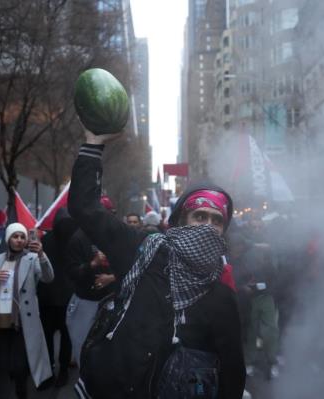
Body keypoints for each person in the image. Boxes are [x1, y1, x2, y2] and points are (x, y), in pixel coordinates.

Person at [69, 131, 245, 399]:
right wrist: (93, 145)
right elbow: (85, 208)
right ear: (180, 220)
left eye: (216, 220)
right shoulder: (141, 251)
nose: (208, 227)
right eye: (199, 216)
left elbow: (231, 374)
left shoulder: (221, 297)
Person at [0, 223, 54, 399]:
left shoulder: (32, 259)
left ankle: (21, 392)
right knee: (2, 365)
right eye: (15, 236)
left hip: (23, 320)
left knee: (19, 365)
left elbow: (48, 277)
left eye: (22, 237)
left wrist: (41, 254)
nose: (19, 240)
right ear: (8, 238)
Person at [66, 196, 117, 368]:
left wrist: (110, 278)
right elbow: (72, 273)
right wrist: (92, 265)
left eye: (108, 213)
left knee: (110, 349)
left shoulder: (116, 235)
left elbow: (130, 265)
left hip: (112, 300)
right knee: (82, 346)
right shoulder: (78, 239)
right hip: (86, 302)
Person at [37, 209, 76, 387]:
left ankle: (56, 370)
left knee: (51, 336)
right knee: (57, 337)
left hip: (54, 297)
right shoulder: (73, 239)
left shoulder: (47, 240)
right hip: (55, 297)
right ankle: (58, 370)